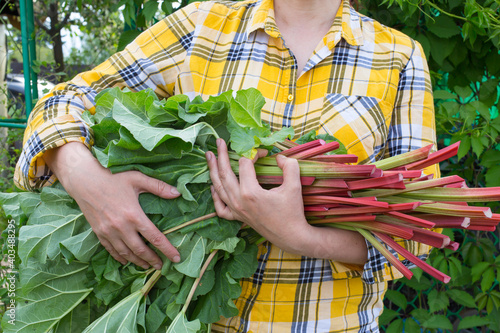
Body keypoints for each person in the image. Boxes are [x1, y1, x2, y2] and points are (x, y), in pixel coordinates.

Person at [15, 0, 439, 331]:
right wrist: (88, 181)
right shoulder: (202, 26)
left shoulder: (398, 56)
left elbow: (421, 232)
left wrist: (302, 237)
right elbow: (64, 100)